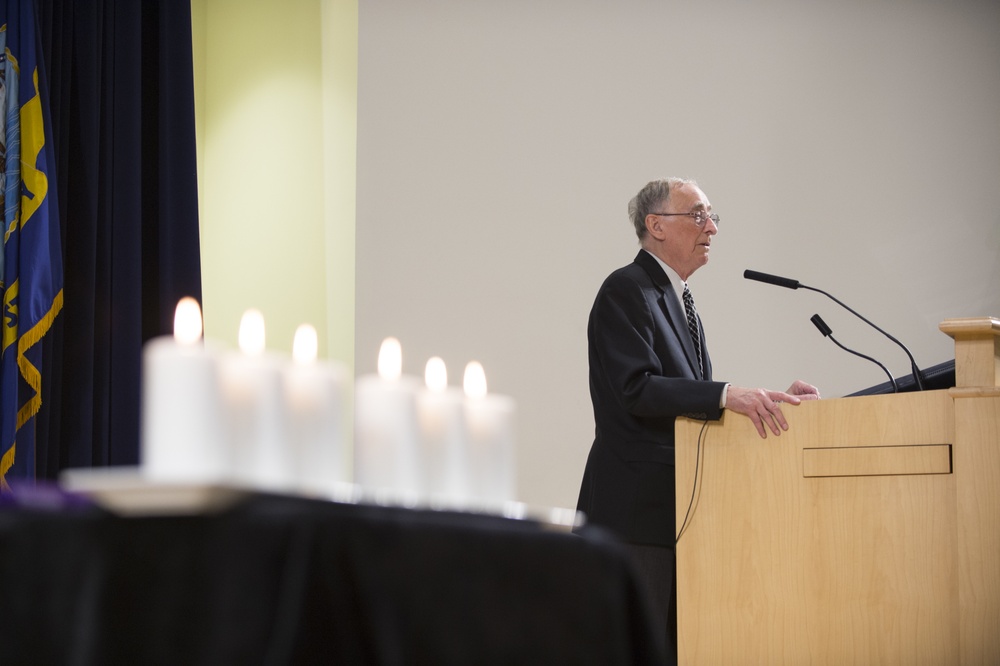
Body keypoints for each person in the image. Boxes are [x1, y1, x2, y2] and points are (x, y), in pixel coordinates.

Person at [575, 177, 819, 663]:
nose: (711, 228)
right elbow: (636, 388)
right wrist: (729, 395)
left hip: (680, 515)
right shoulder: (626, 289)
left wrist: (762, 400)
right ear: (656, 225)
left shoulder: (678, 299)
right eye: (698, 215)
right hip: (635, 517)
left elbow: (688, 405)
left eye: (712, 217)